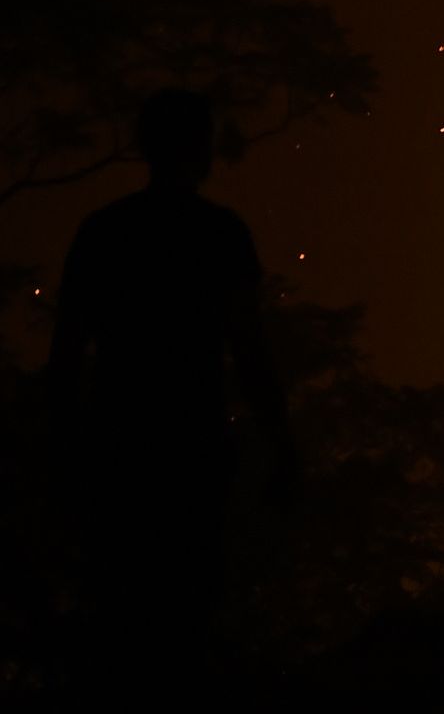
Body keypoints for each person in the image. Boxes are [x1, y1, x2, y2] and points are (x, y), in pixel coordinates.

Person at [46, 88, 297, 681]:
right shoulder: (220, 236)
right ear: (202, 151)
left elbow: (65, 357)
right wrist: (281, 443)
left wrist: (64, 453)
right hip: (192, 449)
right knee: (186, 618)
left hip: (118, 449)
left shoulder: (104, 232)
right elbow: (249, 352)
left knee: (120, 617)